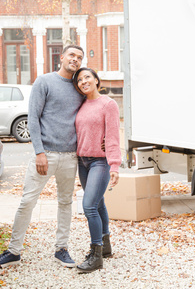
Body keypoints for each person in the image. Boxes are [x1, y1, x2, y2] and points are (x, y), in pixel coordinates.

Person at [0, 45, 85, 268]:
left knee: (65, 203)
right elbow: (33, 118)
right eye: (72, 55)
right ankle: (14, 251)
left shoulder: (79, 86)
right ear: (61, 57)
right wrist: (39, 152)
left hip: (70, 157)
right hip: (46, 154)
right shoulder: (44, 81)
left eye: (79, 57)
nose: (75, 59)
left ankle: (61, 249)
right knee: (27, 202)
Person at [72, 67, 121, 273]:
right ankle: (106, 245)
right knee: (99, 204)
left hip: (99, 162)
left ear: (96, 80)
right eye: (80, 80)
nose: (84, 81)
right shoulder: (81, 104)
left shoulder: (108, 104)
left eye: (87, 77)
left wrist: (115, 165)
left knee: (89, 205)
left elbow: (112, 136)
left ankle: (96, 254)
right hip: (82, 162)